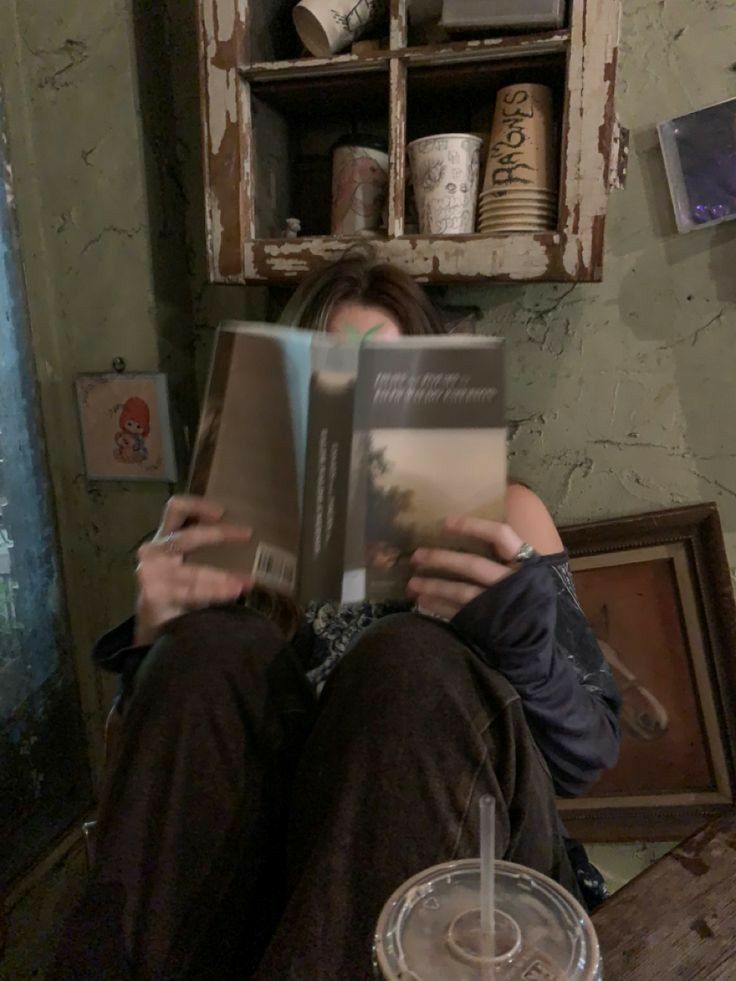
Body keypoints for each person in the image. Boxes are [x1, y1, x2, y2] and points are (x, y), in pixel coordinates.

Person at [50, 253, 620, 981]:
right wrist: (153, 641)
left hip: (466, 880)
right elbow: (144, 796)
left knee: (408, 661)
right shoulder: (240, 532)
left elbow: (587, 757)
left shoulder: (510, 518)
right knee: (212, 648)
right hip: (278, 890)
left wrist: (519, 636)